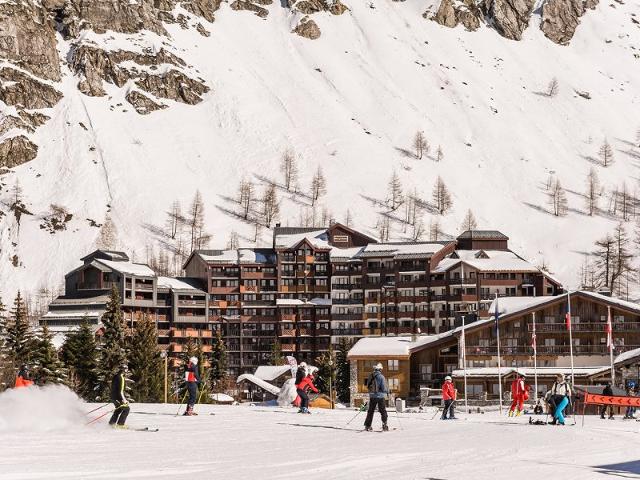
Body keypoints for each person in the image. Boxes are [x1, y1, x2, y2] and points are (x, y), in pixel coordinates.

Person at [364, 363, 389, 431]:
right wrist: (388, 391)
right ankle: (384, 425)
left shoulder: (370, 376)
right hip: (380, 396)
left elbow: (368, 386)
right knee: (382, 411)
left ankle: (367, 426)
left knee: (370, 411)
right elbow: (384, 388)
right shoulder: (381, 377)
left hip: (372, 396)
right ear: (380, 369)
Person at [109, 364, 130, 429]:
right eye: (126, 369)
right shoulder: (121, 377)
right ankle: (120, 424)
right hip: (118, 397)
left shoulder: (116, 376)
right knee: (126, 409)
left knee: (118, 409)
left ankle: (111, 423)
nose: (127, 371)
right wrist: (124, 400)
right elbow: (120, 391)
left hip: (113, 397)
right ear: (124, 370)